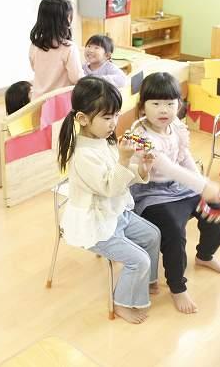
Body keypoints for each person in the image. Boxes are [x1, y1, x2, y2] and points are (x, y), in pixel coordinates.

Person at [57, 76, 160, 324]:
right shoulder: (83, 156)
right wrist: (124, 159)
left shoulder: (103, 140)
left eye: (116, 115)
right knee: (139, 260)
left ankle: (143, 281)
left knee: (152, 234)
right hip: (95, 224)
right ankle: (122, 302)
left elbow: (118, 176)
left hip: (114, 213)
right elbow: (110, 187)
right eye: (106, 117)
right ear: (83, 119)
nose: (114, 122)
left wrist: (141, 169)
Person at [129, 72, 220, 315]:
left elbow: (184, 158)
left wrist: (203, 185)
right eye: (155, 103)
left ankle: (205, 255)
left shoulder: (177, 127)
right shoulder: (139, 135)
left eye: (170, 103)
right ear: (142, 107)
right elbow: (167, 167)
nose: (163, 110)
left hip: (178, 187)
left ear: (179, 104)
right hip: (151, 194)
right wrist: (203, 186)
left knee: (216, 208)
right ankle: (177, 286)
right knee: (174, 230)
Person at [29, 0, 84, 99]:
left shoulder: (35, 45)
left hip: (37, 100)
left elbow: (34, 68)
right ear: (63, 21)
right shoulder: (69, 48)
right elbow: (76, 78)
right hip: (59, 102)